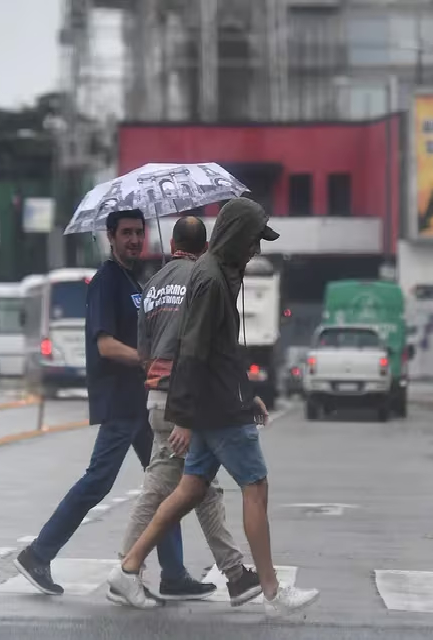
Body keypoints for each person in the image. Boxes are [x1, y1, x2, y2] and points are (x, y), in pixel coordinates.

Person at [107, 197, 320, 617]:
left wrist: (248, 391)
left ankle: (128, 569)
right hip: (216, 410)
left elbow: (223, 350)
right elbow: (193, 352)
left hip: (217, 402)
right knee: (255, 488)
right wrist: (184, 418)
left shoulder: (219, 276)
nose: (257, 249)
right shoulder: (208, 280)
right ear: (237, 236)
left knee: (189, 489)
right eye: (255, 240)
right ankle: (273, 592)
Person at [14, 208, 215, 603]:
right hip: (121, 399)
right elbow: (104, 345)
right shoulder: (106, 282)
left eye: (139, 233)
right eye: (126, 233)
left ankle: (172, 573)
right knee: (99, 481)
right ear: (110, 236)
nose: (135, 240)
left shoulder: (134, 280)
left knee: (163, 482)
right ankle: (37, 554)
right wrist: (146, 358)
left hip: (140, 399)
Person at [119, 215, 262, 606]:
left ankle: (235, 575)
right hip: (186, 398)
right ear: (203, 247)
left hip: (156, 395)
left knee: (199, 486)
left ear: (173, 244)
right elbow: (200, 345)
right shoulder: (202, 277)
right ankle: (125, 569)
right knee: (166, 488)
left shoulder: (150, 285)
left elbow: (144, 352)